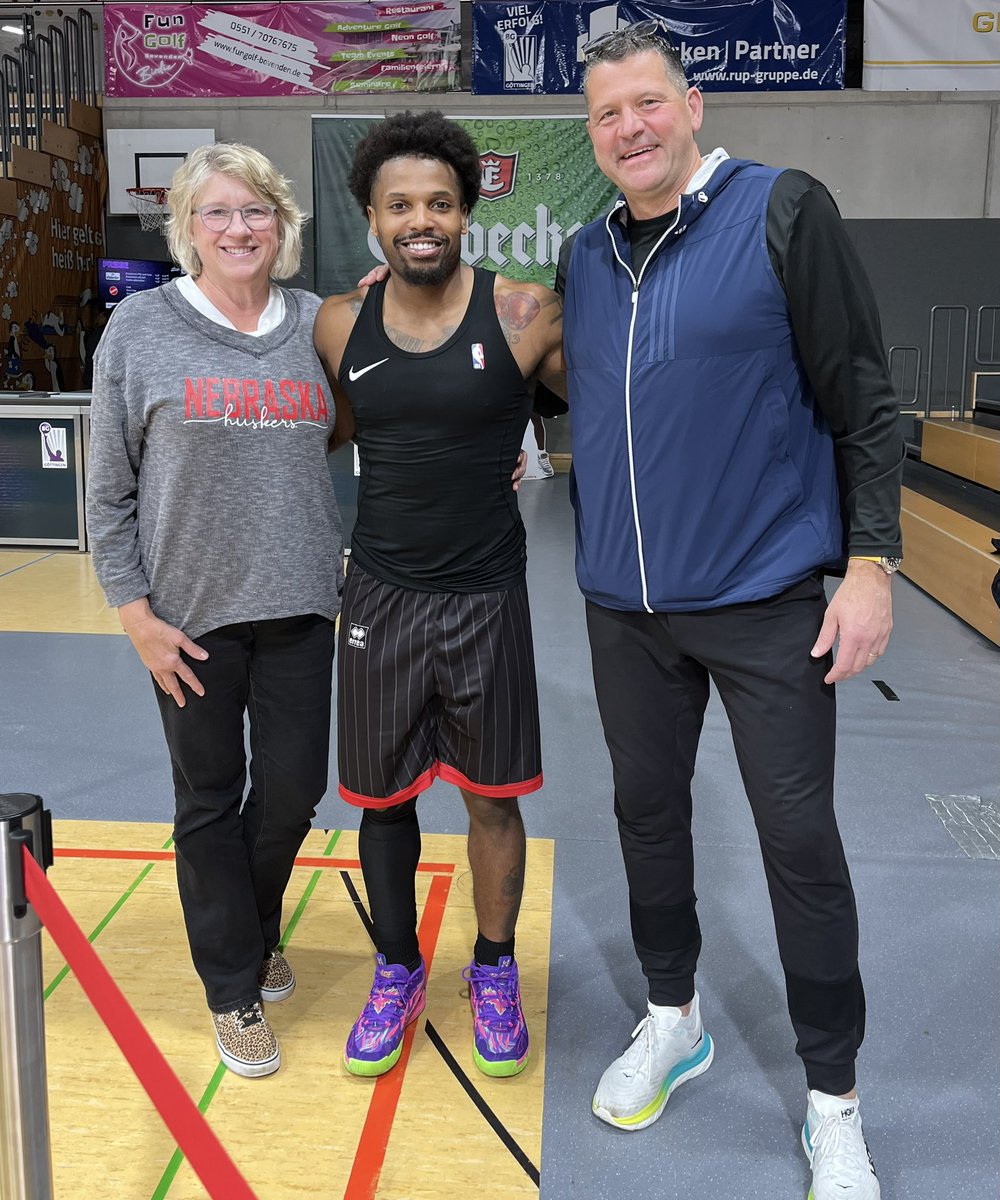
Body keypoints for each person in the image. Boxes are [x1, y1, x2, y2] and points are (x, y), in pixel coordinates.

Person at [558, 24, 903, 1200]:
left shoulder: (780, 212)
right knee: (646, 816)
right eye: (606, 115)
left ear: (691, 103)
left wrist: (871, 564)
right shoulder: (585, 254)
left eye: (646, 104)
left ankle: (833, 1099)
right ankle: (673, 1018)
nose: (629, 130)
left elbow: (861, 393)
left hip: (765, 601)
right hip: (624, 608)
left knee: (799, 846)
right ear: (592, 134)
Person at [314, 111, 564, 1081]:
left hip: (486, 596)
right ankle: (397, 969)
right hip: (380, 594)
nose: (422, 220)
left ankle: (492, 970)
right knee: (383, 804)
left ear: (467, 211)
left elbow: (619, 404)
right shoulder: (340, 321)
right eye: (401, 205)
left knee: (493, 799)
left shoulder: (526, 314)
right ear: (372, 217)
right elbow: (321, 433)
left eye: (440, 203)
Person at [86, 142, 345, 1079]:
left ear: (283, 224)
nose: (240, 229)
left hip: (302, 609)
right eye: (218, 213)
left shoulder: (317, 323)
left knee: (291, 794)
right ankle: (233, 986)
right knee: (208, 801)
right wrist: (134, 614)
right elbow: (106, 487)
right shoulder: (141, 326)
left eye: (257, 212)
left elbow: (394, 411)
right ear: (187, 228)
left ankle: (255, 924)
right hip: (187, 618)